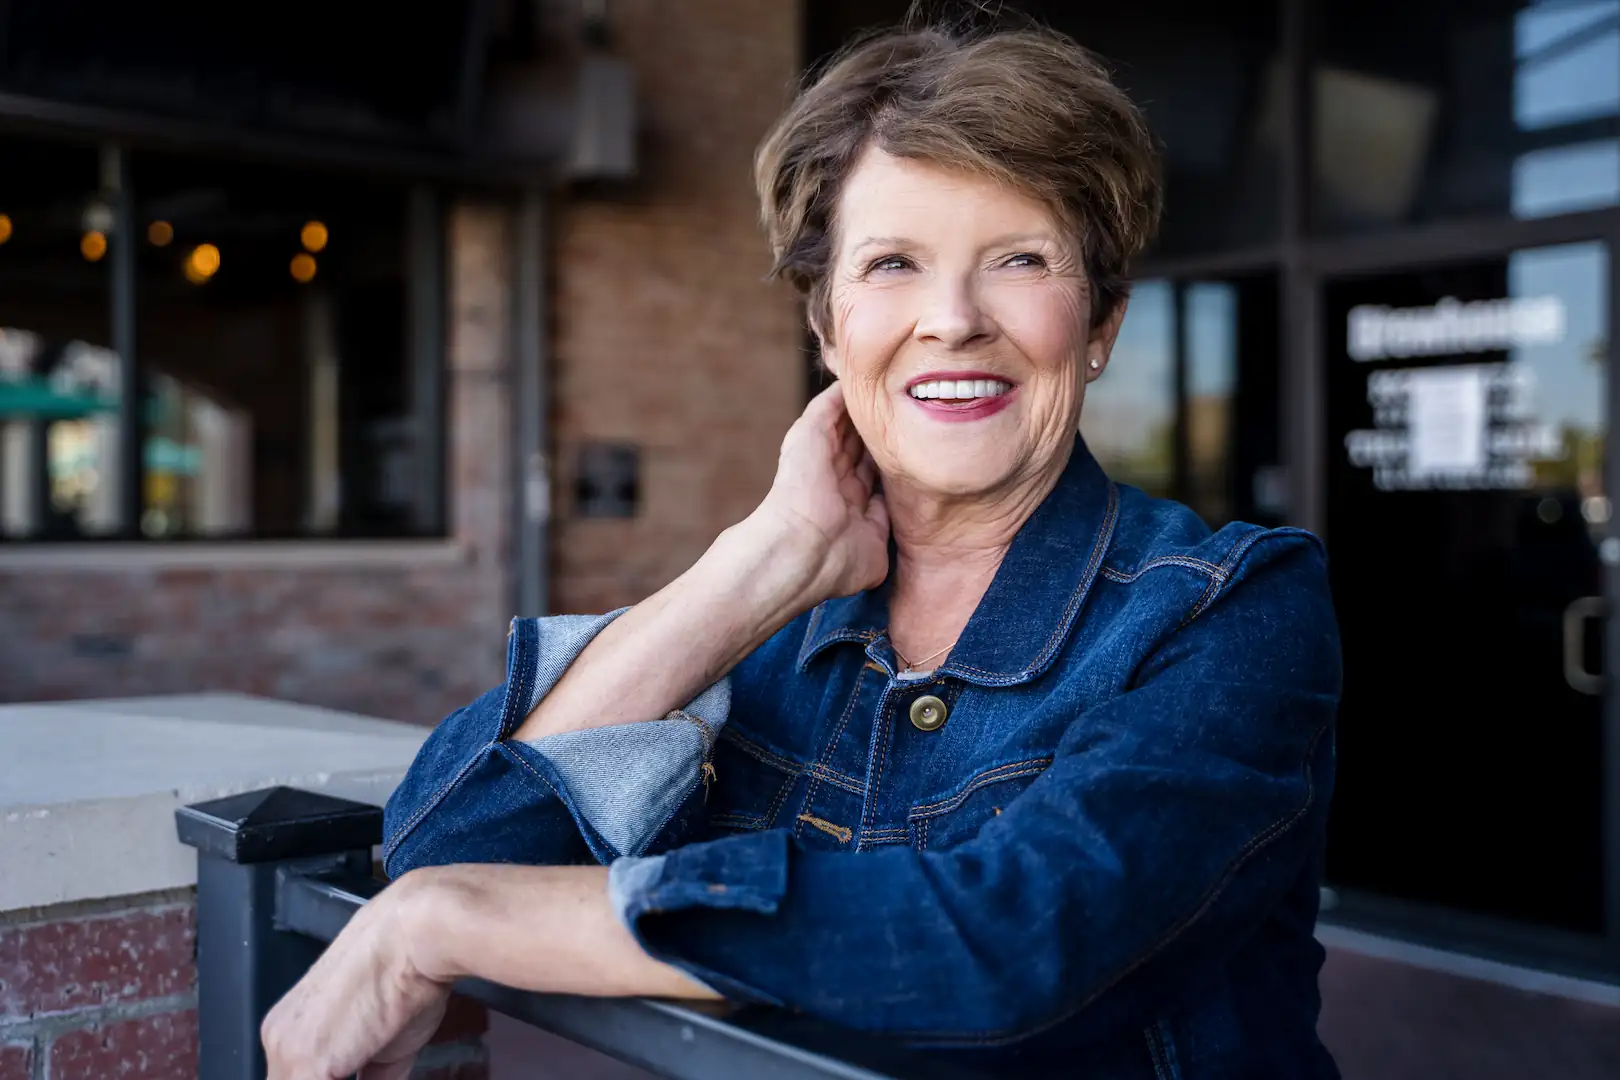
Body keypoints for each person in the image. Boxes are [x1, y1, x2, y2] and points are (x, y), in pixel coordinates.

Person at [262, 20, 1342, 1080]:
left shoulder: (1231, 609)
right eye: (893, 264)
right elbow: (447, 844)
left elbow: (1013, 945)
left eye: (1018, 258)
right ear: (827, 331)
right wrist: (763, 560)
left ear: (1100, 324)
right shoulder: (776, 616)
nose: (952, 319)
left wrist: (442, 923)